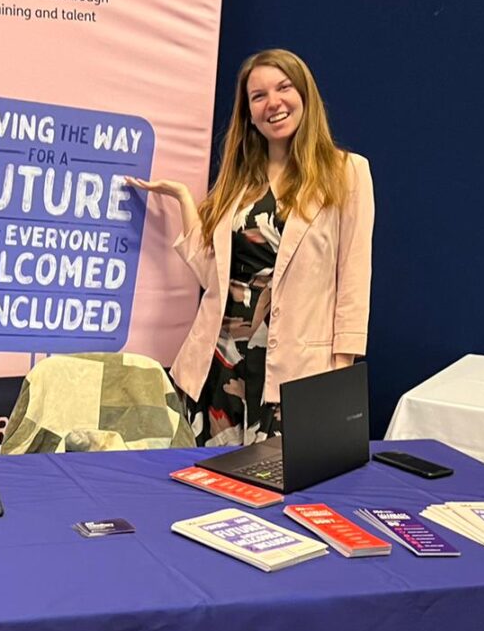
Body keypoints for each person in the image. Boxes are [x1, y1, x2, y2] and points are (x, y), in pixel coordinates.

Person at [130, 48, 373, 446]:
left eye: (283, 88)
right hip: (221, 362)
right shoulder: (239, 182)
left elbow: (354, 277)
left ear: (305, 95)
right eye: (258, 96)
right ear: (248, 112)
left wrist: (339, 370)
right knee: (209, 487)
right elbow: (213, 278)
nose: (272, 103)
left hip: (296, 372)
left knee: (279, 489)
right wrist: (184, 202)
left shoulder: (347, 172)